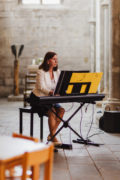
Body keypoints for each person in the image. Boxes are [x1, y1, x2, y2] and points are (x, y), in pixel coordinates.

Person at [30, 51, 65, 144]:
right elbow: (40, 87)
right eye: (54, 59)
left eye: (57, 59)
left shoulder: (57, 72)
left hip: (51, 98)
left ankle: (51, 134)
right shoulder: (41, 72)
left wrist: (60, 92)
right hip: (38, 98)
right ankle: (54, 138)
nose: (56, 61)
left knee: (61, 110)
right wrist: (51, 92)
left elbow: (59, 85)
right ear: (48, 61)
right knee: (52, 111)